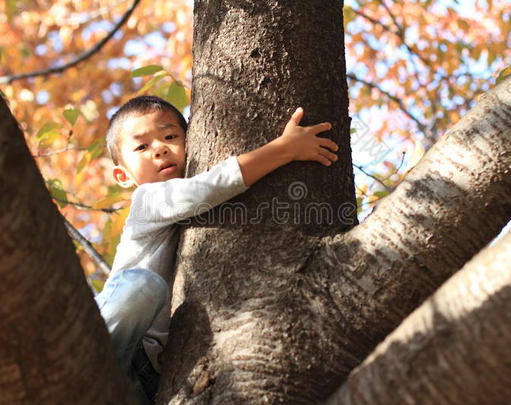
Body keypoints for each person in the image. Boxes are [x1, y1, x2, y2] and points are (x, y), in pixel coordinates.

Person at [96, 95, 338, 403]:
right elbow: (208, 188)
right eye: (142, 147)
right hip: (118, 341)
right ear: (122, 175)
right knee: (142, 286)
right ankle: (80, 360)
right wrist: (284, 149)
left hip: (145, 376)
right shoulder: (148, 200)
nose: (160, 148)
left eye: (171, 137)